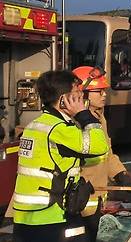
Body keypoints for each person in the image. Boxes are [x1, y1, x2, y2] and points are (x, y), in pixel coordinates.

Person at [12, 70, 109, 242]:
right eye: (77, 94)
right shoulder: (59, 129)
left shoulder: (36, 125)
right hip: (52, 216)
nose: (82, 99)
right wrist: (84, 116)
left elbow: (78, 158)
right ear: (64, 99)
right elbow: (100, 147)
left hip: (25, 218)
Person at [72, 66, 131, 242]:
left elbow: (106, 152)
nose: (104, 95)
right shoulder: (73, 122)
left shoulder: (99, 117)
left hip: (96, 196)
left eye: (104, 91)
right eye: (98, 91)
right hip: (78, 198)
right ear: (82, 94)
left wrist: (119, 172)